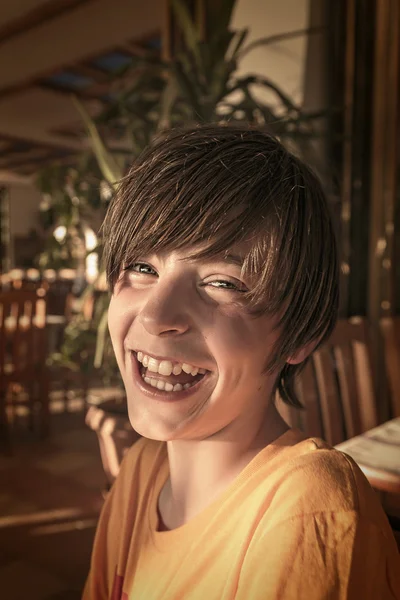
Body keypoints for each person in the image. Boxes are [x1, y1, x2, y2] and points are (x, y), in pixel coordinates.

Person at [83, 125, 400, 600]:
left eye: (222, 283)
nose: (155, 314)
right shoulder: (142, 469)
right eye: (143, 268)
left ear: (300, 335)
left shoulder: (310, 511)